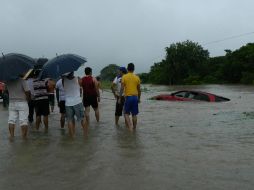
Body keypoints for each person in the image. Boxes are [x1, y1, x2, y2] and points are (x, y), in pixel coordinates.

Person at [63, 72, 87, 138]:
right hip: (77, 102)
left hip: (68, 103)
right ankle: (85, 135)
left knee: (70, 120)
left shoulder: (63, 79)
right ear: (73, 72)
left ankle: (73, 136)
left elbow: (64, 88)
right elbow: (81, 87)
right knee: (83, 118)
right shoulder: (78, 78)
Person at [120, 63, 141, 131]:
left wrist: (120, 98)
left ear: (127, 68)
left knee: (126, 113)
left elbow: (122, 88)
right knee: (134, 114)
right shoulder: (137, 77)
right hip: (135, 97)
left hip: (128, 98)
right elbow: (139, 90)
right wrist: (139, 98)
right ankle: (134, 128)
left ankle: (130, 128)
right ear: (134, 69)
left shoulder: (124, 77)